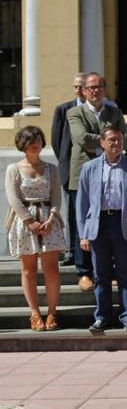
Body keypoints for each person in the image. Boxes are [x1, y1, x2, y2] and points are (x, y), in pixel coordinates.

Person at [77, 126, 127, 332]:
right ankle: (101, 316)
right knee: (101, 274)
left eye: (118, 139)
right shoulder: (89, 168)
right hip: (98, 225)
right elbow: (82, 203)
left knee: (125, 273)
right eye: (111, 140)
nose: (115, 143)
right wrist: (84, 233)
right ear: (102, 143)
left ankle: (126, 315)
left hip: (123, 224)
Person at [66, 72, 127, 292]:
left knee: (107, 225)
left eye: (100, 86)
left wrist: (111, 142)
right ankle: (84, 272)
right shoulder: (75, 112)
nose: (96, 91)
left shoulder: (114, 111)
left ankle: (106, 270)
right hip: (83, 174)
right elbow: (81, 138)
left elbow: (125, 139)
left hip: (112, 173)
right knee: (83, 222)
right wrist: (109, 141)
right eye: (91, 87)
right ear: (83, 91)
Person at [6, 126, 66, 331]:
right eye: (30, 139)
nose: (35, 143)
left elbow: (57, 197)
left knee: (51, 269)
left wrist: (52, 218)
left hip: (49, 220)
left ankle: (52, 312)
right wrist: (29, 220)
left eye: (38, 139)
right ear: (22, 143)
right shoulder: (13, 169)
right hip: (25, 222)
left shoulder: (52, 168)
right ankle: (34, 314)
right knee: (29, 270)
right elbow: (13, 198)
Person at [50, 72, 88, 267]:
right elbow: (57, 143)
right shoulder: (63, 109)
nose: (78, 90)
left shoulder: (100, 108)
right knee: (73, 213)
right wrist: (66, 163)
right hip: (70, 171)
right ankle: (72, 251)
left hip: (90, 170)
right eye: (75, 86)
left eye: (81, 86)